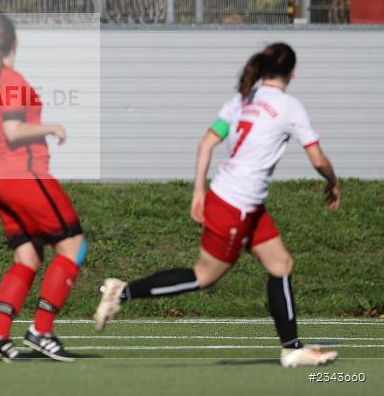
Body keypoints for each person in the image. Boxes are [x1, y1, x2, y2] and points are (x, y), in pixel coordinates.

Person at [93, 42, 341, 368]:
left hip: (243, 203)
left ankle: (292, 349)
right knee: (204, 276)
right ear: (292, 72)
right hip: (234, 205)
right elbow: (317, 159)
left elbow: (207, 142)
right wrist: (333, 182)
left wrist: (199, 190)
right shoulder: (289, 107)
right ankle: (122, 292)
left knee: (281, 265)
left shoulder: (242, 100)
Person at [0, 13, 87, 363]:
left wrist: (1, 156)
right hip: (25, 176)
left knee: (28, 258)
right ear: (15, 42)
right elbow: (14, 130)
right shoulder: (11, 80)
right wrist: (52, 127)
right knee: (74, 246)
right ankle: (41, 330)